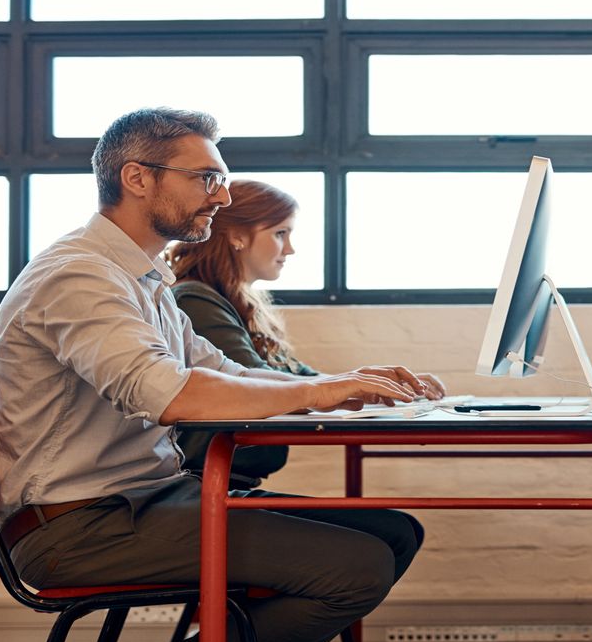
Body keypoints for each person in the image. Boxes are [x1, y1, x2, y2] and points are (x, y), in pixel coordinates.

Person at [0, 107, 438, 642]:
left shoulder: (139, 277)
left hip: (148, 499)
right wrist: (314, 395)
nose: (222, 196)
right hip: (80, 527)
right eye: (206, 178)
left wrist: (347, 387)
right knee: (355, 568)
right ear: (137, 178)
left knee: (394, 533)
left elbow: (222, 368)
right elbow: (166, 393)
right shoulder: (79, 277)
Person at [165, 178, 445, 490]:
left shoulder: (223, 300)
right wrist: (346, 388)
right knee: (396, 530)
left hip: (226, 482)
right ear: (236, 236)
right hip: (208, 484)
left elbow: (300, 378)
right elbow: (254, 381)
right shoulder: (195, 299)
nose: (290, 249)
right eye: (279, 233)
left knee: (397, 528)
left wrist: (374, 388)